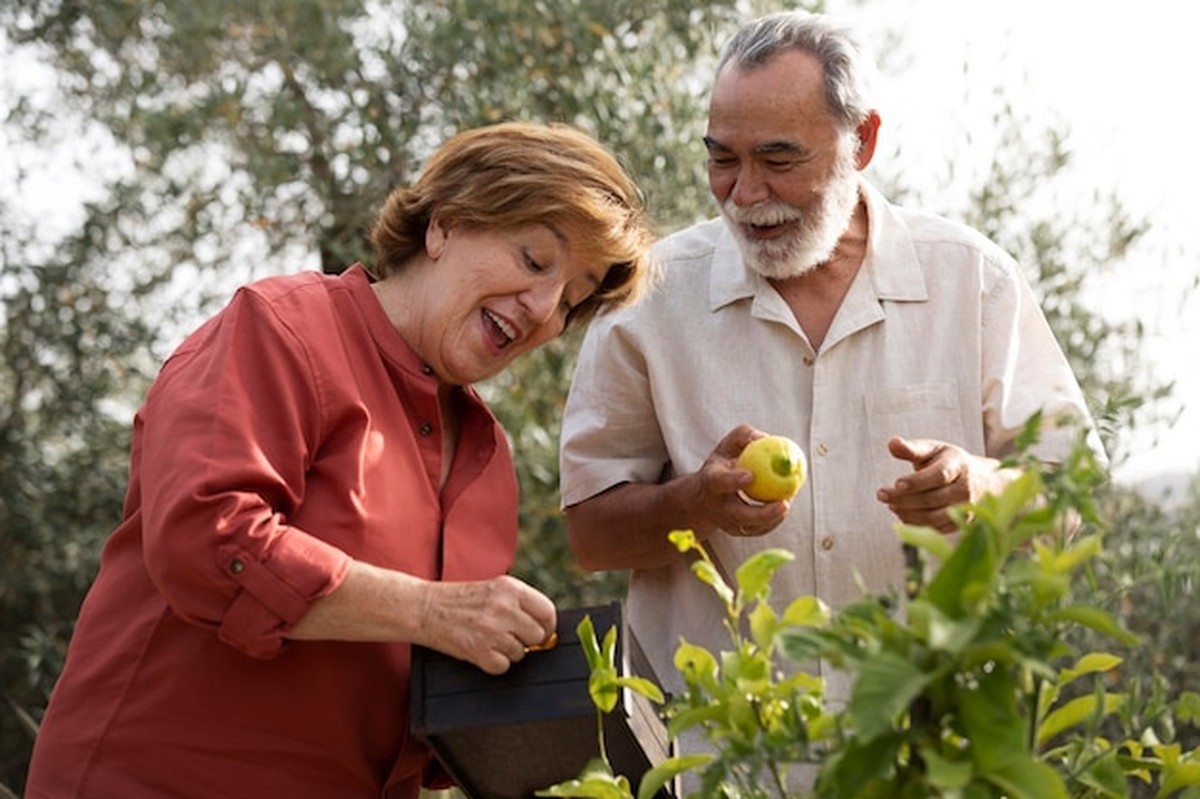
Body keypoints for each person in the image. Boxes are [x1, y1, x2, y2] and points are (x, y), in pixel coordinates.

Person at [25, 121, 654, 799]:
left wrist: (547, 703)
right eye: (534, 259)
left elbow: (423, 715)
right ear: (445, 225)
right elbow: (206, 540)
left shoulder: (487, 460)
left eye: (572, 300)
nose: (544, 309)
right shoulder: (283, 329)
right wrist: (431, 611)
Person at [559, 10, 1106, 707]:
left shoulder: (973, 281)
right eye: (722, 160)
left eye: (779, 160)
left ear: (863, 141)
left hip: (925, 740)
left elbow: (1074, 496)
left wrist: (984, 489)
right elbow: (591, 538)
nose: (745, 193)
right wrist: (693, 504)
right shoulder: (651, 299)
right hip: (718, 745)